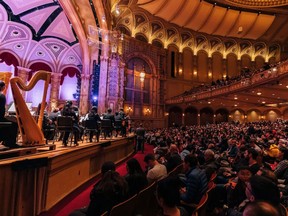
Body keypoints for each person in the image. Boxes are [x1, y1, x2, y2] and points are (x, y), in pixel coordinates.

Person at [0, 80, 18, 148]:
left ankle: (6, 141)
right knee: (14, 124)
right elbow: (1, 110)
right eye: (4, 86)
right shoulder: (2, 96)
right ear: (2, 87)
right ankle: (10, 143)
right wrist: (6, 115)